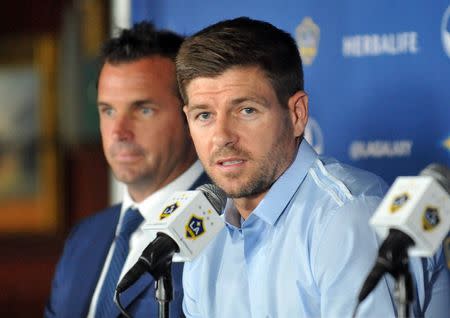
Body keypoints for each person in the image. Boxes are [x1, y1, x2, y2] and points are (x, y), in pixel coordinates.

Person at [176, 17, 450, 317]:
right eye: (204, 115)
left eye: (246, 110)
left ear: (297, 114)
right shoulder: (203, 232)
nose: (222, 137)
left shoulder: (347, 214)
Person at [45, 22, 209, 318]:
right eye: (108, 110)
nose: (119, 132)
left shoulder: (226, 225)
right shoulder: (84, 236)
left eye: (143, 110)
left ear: (191, 115)